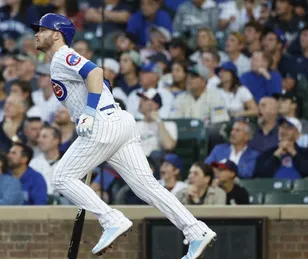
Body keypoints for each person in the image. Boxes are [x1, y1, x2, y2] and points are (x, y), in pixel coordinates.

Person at [31, 13, 216, 258]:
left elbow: (95, 73)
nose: (36, 34)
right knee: (147, 188)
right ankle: (195, 230)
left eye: (42, 29)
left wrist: (88, 111)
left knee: (62, 177)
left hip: (102, 123)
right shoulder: (60, 61)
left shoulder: (61, 55)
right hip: (119, 122)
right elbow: (102, 83)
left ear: (56, 34)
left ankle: (111, 219)